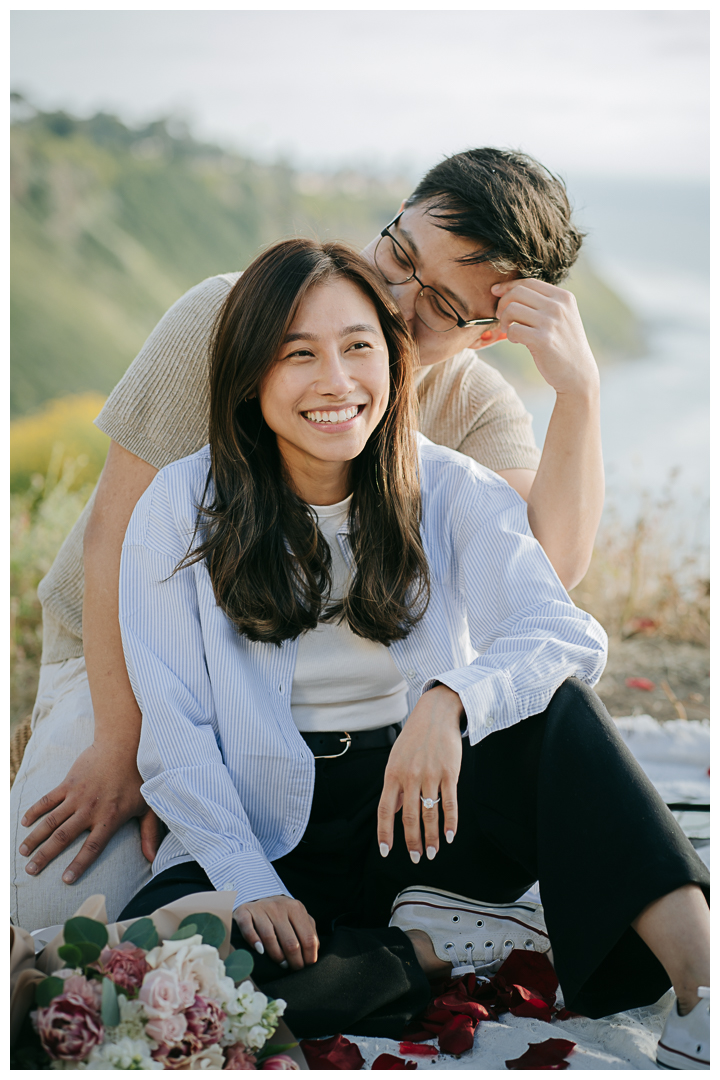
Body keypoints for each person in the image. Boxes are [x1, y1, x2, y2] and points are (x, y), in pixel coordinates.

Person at [116, 240, 709, 1064]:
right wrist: (250, 885)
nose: (336, 381)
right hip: (263, 823)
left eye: (359, 346)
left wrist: (452, 700)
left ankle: (703, 992)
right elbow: (175, 733)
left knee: (560, 709)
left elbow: (563, 635)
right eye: (299, 355)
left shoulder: (451, 487)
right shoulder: (181, 506)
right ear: (252, 376)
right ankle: (428, 956)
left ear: (394, 362)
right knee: (159, 976)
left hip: (421, 819)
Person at [11, 147, 604, 930]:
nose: (395, 299)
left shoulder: (473, 404)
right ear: (392, 219)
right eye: (398, 255)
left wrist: (580, 390)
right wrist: (123, 746)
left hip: (328, 711)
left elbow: (547, 569)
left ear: (489, 334)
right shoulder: (225, 320)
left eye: (440, 307)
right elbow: (111, 539)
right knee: (56, 916)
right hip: (122, 663)